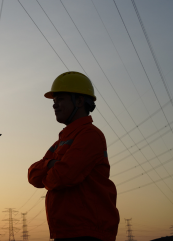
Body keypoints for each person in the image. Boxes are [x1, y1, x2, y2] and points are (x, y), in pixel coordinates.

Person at [28, 71, 120, 241]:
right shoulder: (62, 140)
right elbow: (33, 176)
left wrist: (48, 173)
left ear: (79, 101)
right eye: (54, 101)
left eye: (60, 99)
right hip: (67, 231)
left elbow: (63, 177)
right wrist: (51, 165)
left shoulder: (90, 135)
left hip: (87, 232)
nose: (54, 105)